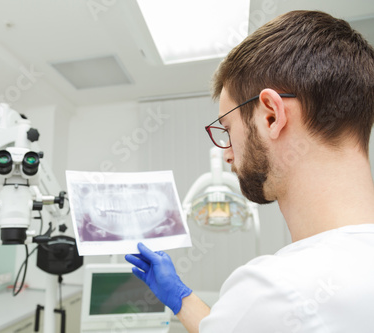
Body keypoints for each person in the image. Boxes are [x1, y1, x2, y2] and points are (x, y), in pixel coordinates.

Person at [125, 10, 374, 333]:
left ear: (271, 115)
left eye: (227, 129)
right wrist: (181, 298)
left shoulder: (273, 290)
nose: (226, 153)